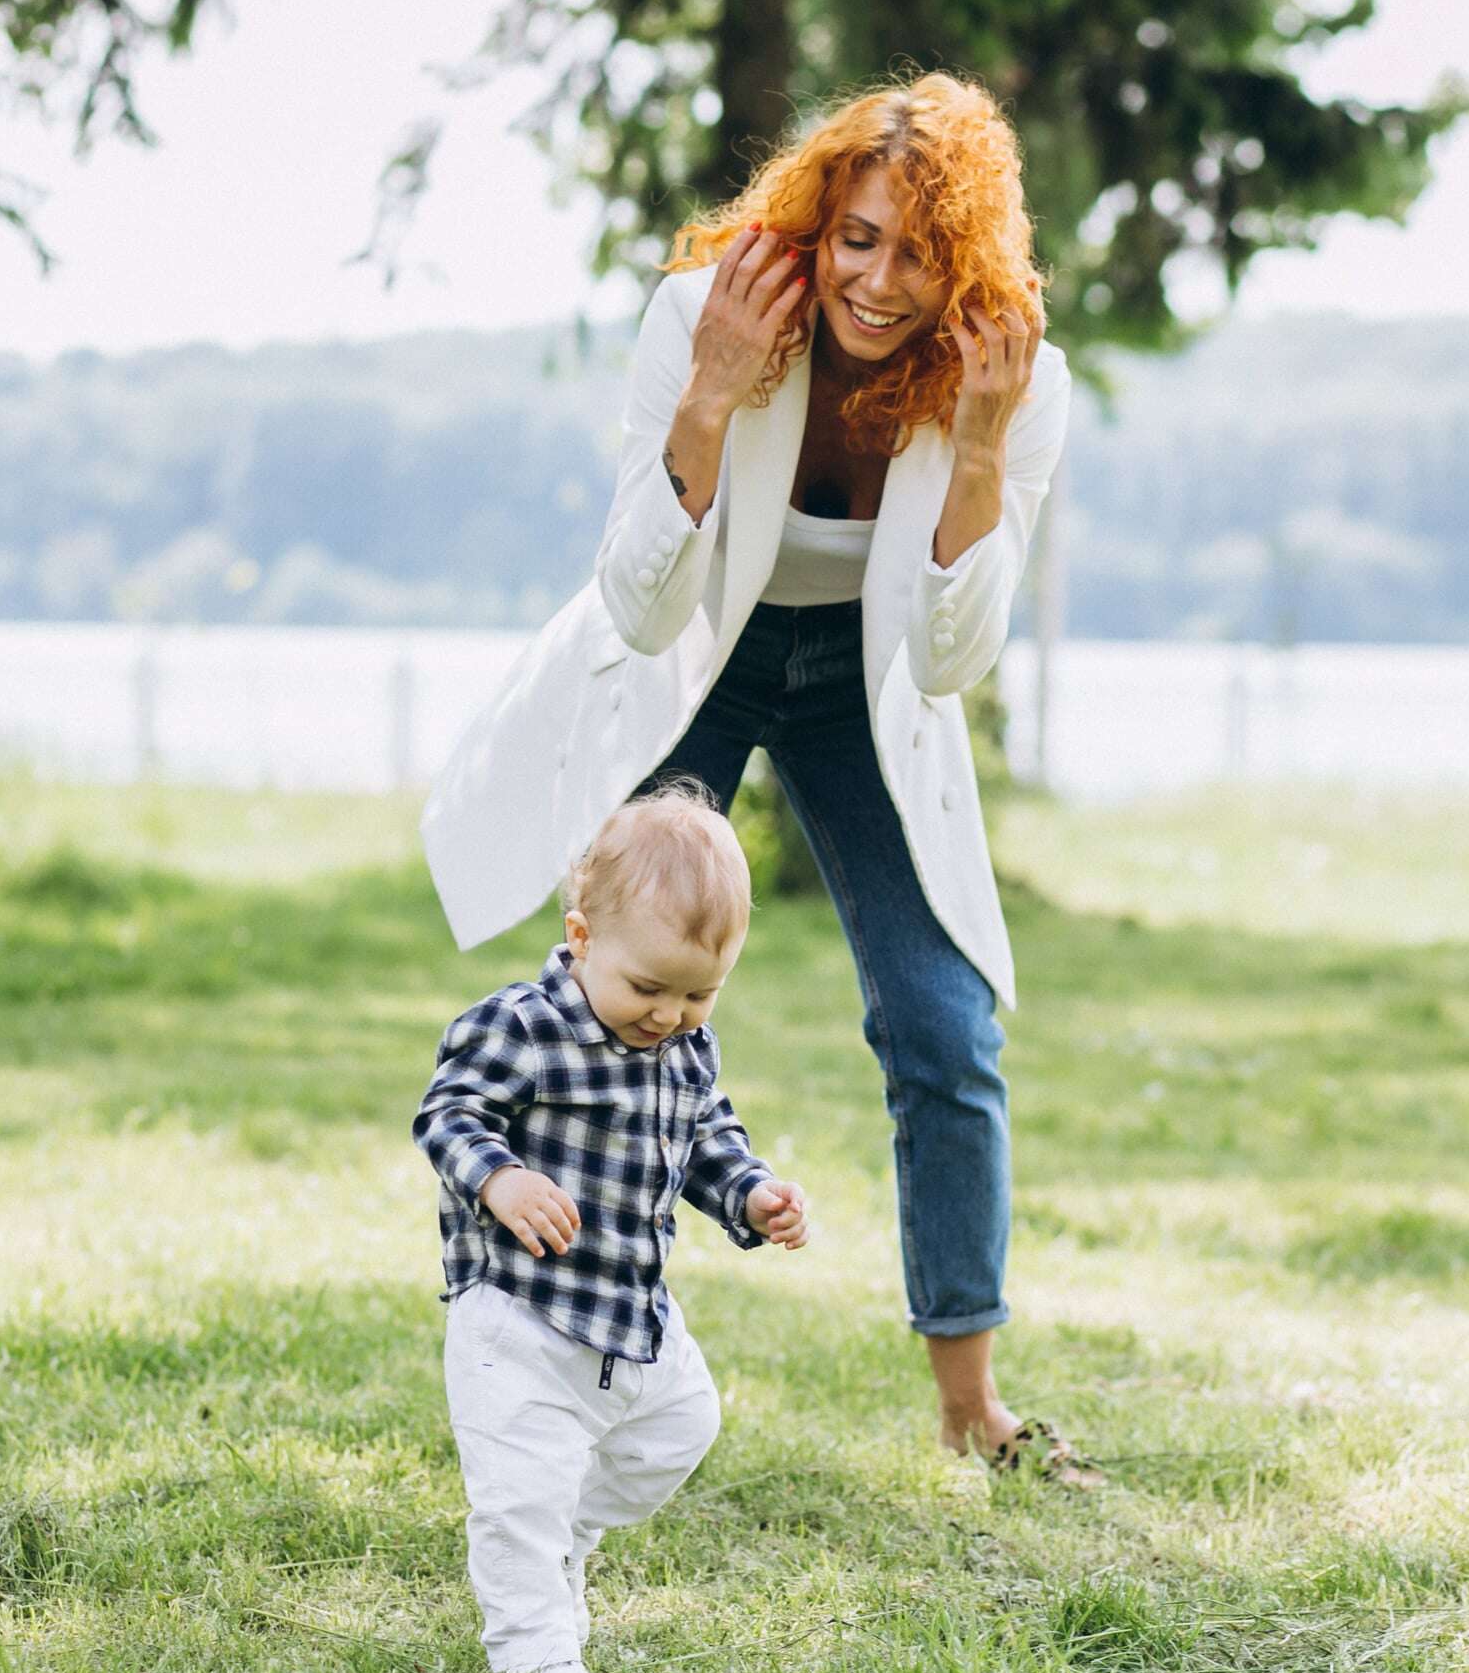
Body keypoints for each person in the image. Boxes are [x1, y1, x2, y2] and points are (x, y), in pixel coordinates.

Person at [420, 72, 1091, 1482]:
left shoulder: (1015, 379)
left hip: (869, 686)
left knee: (946, 1028)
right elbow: (643, 607)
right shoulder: (702, 315)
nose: (880, 280)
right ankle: (549, 1346)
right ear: (817, 224)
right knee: (609, 995)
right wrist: (715, 399)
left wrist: (975, 446)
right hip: (701, 662)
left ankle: (972, 1403)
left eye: (918, 250)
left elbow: (954, 655)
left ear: (964, 259)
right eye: (857, 238)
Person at [414, 788, 810, 1673]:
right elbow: (449, 1111)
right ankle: (537, 1658)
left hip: (630, 1308)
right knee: (520, 1499)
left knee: (682, 1427)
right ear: (583, 938)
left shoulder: (684, 1049)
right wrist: (500, 1177)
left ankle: (567, 1535)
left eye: (700, 993)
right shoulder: (525, 1026)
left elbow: (708, 1138)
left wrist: (750, 1198)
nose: (669, 1014)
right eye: (648, 987)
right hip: (518, 1312)